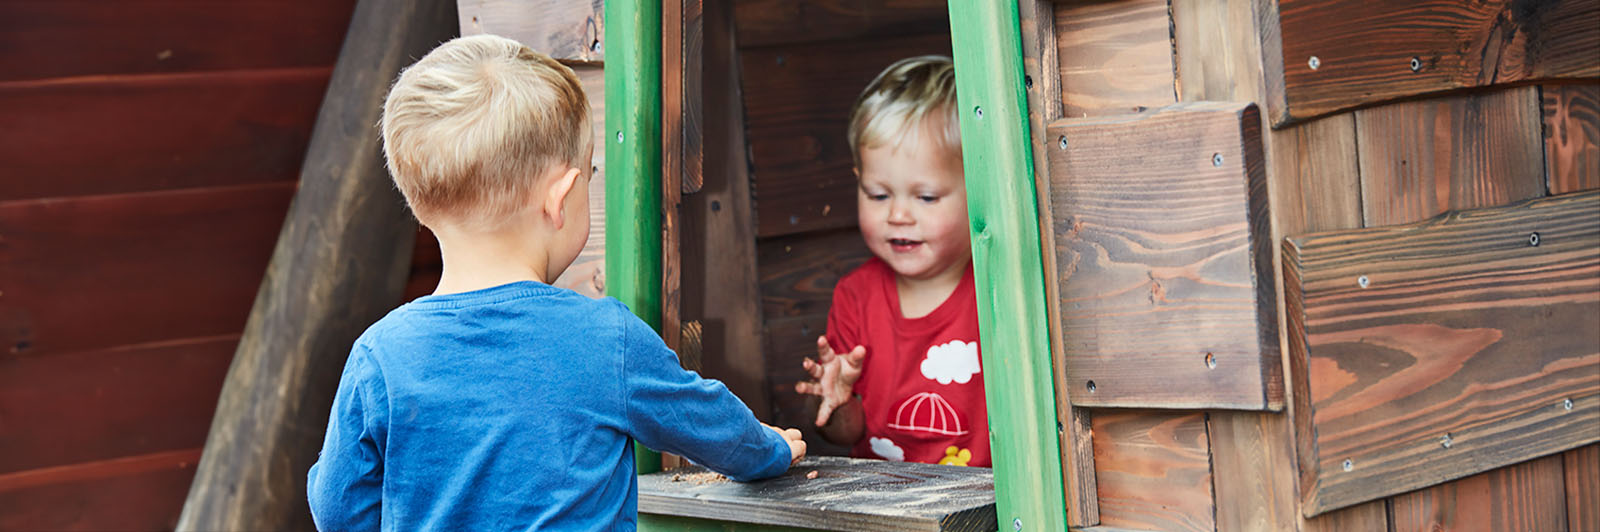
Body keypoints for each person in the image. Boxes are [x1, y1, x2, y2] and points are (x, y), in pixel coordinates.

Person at [306, 34, 805, 531]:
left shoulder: (381, 355)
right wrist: (771, 451)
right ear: (561, 198)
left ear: (419, 201)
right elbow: (708, 422)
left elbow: (336, 510)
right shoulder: (604, 338)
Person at [794, 56, 987, 467]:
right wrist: (837, 400)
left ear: (981, 188)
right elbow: (848, 432)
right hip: (890, 508)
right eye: (879, 195)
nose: (898, 215)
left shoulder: (995, 286)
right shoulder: (856, 296)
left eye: (926, 197)